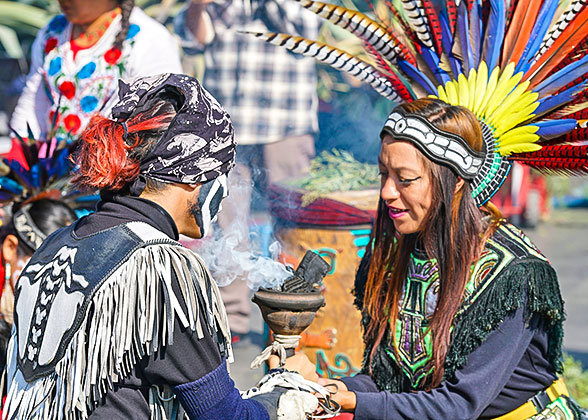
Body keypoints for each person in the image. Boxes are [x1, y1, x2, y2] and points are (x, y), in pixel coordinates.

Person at [2, 73, 316, 420]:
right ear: (192, 178)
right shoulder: (159, 269)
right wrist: (284, 396)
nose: (225, 194)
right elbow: (224, 417)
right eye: (221, 178)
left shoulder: (53, 245)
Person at [300, 98, 581, 419]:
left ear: (456, 180)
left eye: (405, 178)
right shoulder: (396, 252)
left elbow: (458, 404)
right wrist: (326, 388)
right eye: (383, 173)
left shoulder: (511, 275)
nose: (387, 192)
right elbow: (391, 381)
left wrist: (352, 402)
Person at [174, 0, 321, 339]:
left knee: (294, 223)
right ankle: (231, 322)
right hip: (227, 120)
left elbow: (308, 29)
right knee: (226, 227)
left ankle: (296, 313)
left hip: (286, 119)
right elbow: (193, 36)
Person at [8, 0, 182, 151]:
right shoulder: (52, 31)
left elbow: (157, 122)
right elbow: (33, 99)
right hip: (54, 172)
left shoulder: (149, 39)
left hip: (113, 172)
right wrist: (20, 156)